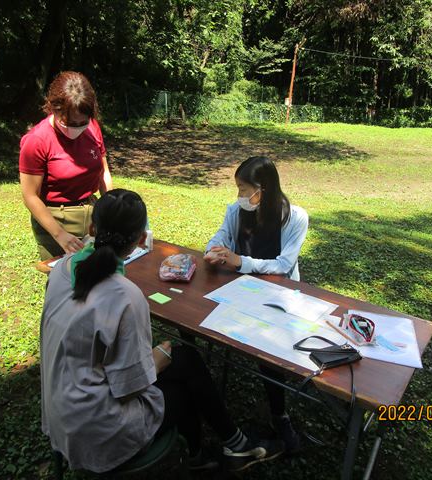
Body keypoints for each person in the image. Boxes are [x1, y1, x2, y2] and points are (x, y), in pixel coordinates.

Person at [40, 188, 283, 474]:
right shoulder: (125, 296)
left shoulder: (61, 269)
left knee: (188, 361)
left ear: (92, 228)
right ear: (141, 240)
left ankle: (217, 448)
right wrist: (156, 359)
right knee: (183, 386)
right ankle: (213, 452)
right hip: (98, 432)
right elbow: (130, 387)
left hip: (58, 412)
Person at [204, 156, 309, 455]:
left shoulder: (295, 218)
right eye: (237, 189)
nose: (239, 196)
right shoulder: (236, 210)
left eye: (242, 189)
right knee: (200, 318)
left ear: (261, 190)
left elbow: (284, 265)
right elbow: (221, 236)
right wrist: (214, 249)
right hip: (240, 289)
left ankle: (279, 413)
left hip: (279, 294)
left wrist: (240, 261)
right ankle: (208, 391)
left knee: (268, 347)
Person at [19, 71, 113, 261]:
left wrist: (111, 206)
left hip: (92, 213)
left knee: (96, 278)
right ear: (54, 108)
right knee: (62, 282)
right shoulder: (37, 140)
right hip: (56, 220)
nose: (77, 127)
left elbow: (103, 171)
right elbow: (30, 196)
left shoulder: (93, 127)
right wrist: (59, 234)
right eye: (70, 122)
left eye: (82, 122)